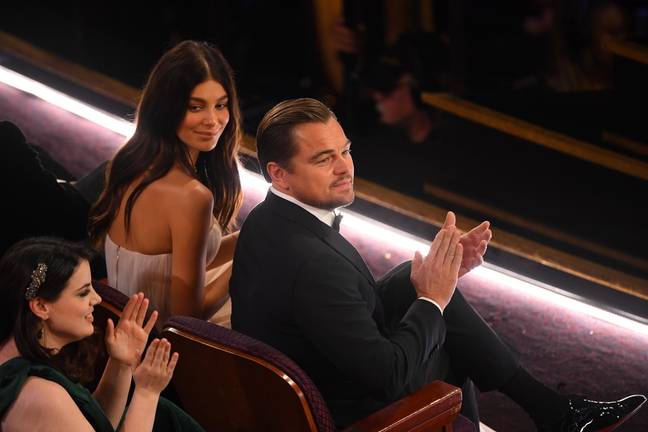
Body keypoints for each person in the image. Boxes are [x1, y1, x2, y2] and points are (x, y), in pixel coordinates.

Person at [229, 98, 646, 430]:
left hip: (319, 363)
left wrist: (441, 276)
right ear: (279, 174)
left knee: (432, 291)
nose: (345, 167)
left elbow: (334, 306)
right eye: (324, 159)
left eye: (346, 150)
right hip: (348, 405)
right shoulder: (311, 263)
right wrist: (433, 301)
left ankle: (553, 412)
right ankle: (553, 414)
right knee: (444, 332)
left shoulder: (268, 219)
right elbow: (388, 376)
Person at [89, 40, 243, 328]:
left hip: (123, 326)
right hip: (160, 348)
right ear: (166, 109)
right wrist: (243, 266)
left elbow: (179, 261)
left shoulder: (130, 163)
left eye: (221, 105)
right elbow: (187, 320)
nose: (213, 120)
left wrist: (250, 237)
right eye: (196, 107)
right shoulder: (192, 197)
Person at [0, 236, 205, 431]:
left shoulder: (15, 350)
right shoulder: (43, 397)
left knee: (164, 413)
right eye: (83, 292)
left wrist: (121, 362)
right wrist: (146, 393)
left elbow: (95, 423)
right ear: (41, 306)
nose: (97, 299)